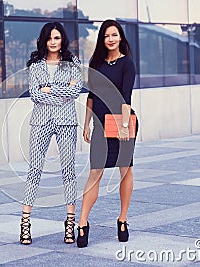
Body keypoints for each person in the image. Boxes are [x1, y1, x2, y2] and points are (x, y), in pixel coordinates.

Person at [20, 22, 83, 245]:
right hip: (40, 122)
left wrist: (50, 89)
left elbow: (75, 92)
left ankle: (70, 224)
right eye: (49, 38)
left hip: (67, 122)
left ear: (62, 40)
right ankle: (25, 223)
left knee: (69, 171)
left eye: (56, 38)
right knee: (34, 170)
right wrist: (61, 92)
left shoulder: (73, 63)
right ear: (44, 40)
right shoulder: (36, 65)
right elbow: (35, 96)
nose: (53, 42)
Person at [77, 19, 138, 248]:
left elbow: (126, 97)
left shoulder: (127, 64)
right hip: (100, 124)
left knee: (125, 170)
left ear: (120, 37)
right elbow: (90, 96)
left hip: (122, 123)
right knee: (95, 172)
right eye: (106, 36)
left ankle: (122, 219)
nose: (110, 39)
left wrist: (123, 127)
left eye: (114, 35)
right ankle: (83, 222)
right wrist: (86, 124)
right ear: (102, 39)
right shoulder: (97, 63)